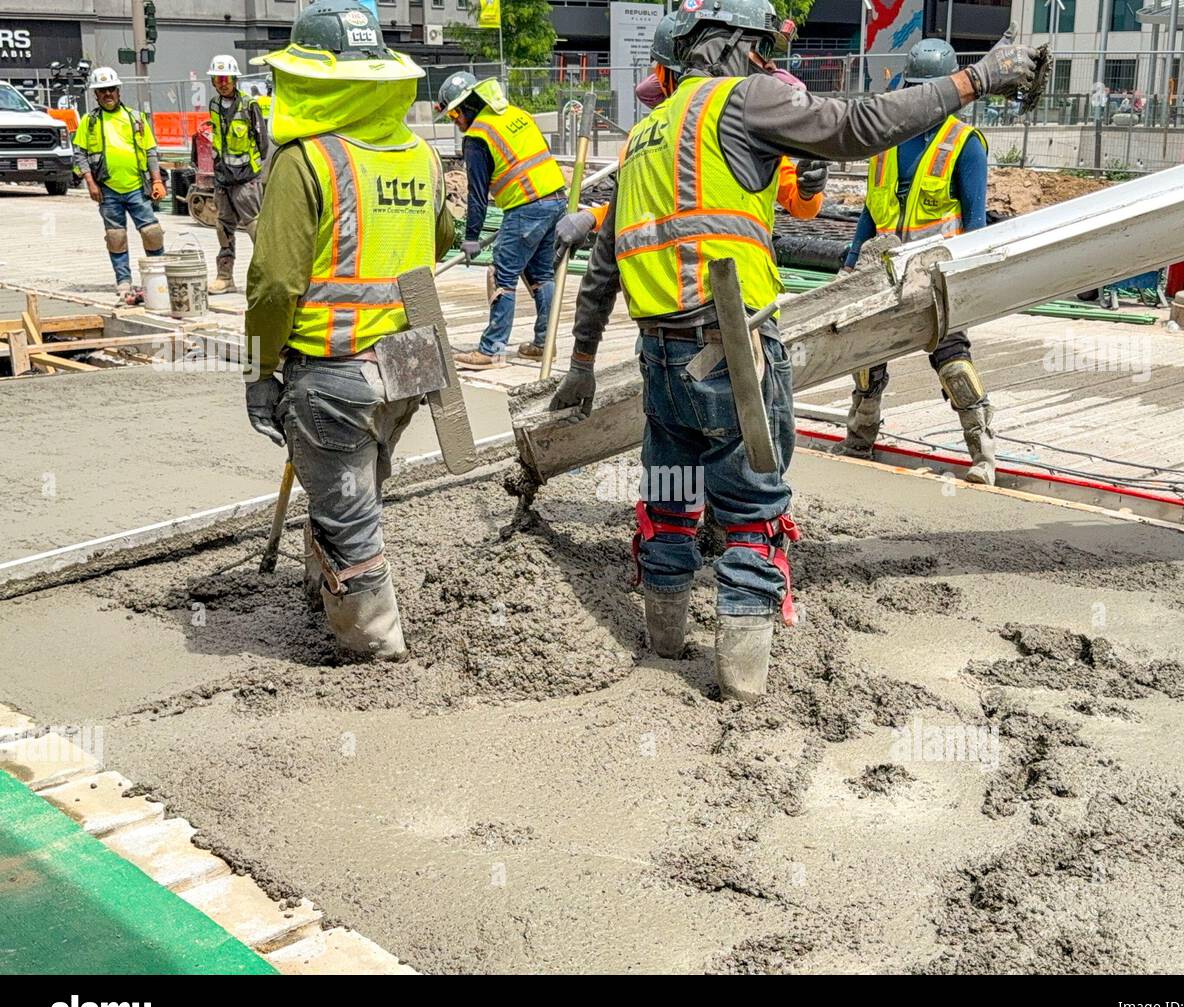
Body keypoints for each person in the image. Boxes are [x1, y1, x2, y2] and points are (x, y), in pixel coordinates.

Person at [549, 0, 1044, 700]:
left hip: (658, 354)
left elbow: (602, 270)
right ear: (729, 46)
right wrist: (974, 81)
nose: (770, 61)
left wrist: (578, 368)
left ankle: (663, 644)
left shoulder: (646, 135)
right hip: (731, 348)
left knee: (667, 495)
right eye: (761, 47)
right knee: (752, 510)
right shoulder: (747, 97)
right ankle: (742, 680)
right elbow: (859, 125)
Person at [242, 0, 456, 660]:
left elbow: (275, 285)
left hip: (337, 372)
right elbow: (441, 238)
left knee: (349, 513)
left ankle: (376, 655)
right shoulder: (419, 157)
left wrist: (259, 369)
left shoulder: (306, 162)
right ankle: (322, 587)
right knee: (356, 485)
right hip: (410, 360)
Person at [838, 38, 997, 485]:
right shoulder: (887, 143)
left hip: (937, 276)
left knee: (953, 363)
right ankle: (859, 438)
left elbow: (975, 220)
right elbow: (871, 210)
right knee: (867, 359)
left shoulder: (964, 145)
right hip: (885, 273)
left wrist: (973, 277)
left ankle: (982, 453)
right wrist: (852, 263)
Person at [552, 12, 827, 261]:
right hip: (688, 288)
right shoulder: (652, 136)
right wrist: (592, 216)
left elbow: (802, 206)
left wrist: (807, 190)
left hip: (721, 288)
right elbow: (631, 210)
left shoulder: (746, 129)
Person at [434, 72, 567, 370]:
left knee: (501, 274)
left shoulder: (478, 137)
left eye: (455, 112)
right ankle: (544, 343)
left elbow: (477, 195)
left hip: (527, 205)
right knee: (541, 275)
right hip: (556, 200)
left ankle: (491, 349)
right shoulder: (515, 115)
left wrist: (470, 237)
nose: (454, 120)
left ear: (470, 105)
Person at [71, 67, 166, 305]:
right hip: (107, 189)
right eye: (102, 91)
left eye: (111, 89)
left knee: (152, 232)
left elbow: (150, 151)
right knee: (116, 236)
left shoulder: (135, 118)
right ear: (96, 94)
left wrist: (157, 180)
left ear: (118, 90)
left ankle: (158, 276)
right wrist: (90, 183)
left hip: (136, 187)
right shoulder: (89, 122)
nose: (107, 94)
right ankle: (123, 281)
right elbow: (80, 153)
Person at [205, 55, 269, 294]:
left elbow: (262, 142)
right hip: (223, 178)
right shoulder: (213, 105)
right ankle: (225, 277)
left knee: (255, 227)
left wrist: (251, 170)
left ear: (235, 79)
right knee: (223, 228)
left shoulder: (248, 105)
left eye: (227, 78)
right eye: (218, 79)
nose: (223, 83)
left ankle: (266, 276)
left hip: (245, 179)